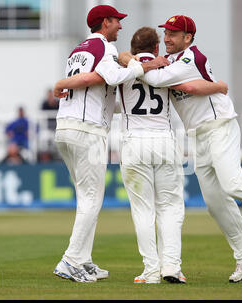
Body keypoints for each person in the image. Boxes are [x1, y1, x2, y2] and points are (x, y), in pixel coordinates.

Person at [120, 15, 242, 283]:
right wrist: (216, 85)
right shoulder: (171, 59)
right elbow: (165, 78)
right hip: (198, 135)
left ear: (188, 38)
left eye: (173, 34)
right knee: (214, 201)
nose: (167, 39)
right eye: (165, 33)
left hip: (219, 126)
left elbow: (156, 79)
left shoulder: (190, 58)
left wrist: (133, 62)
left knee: (232, 183)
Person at [53, 28, 228, 284]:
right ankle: (171, 267)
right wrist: (219, 86)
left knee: (142, 210)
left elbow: (112, 94)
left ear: (133, 49)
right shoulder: (166, 68)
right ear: (156, 48)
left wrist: (126, 59)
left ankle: (149, 271)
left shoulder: (124, 71)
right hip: (164, 141)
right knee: (169, 207)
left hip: (133, 144)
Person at [52, 4, 172, 283]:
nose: (120, 25)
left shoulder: (77, 50)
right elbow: (114, 76)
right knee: (92, 199)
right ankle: (70, 261)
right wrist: (145, 66)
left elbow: (94, 83)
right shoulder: (103, 47)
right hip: (88, 130)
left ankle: (83, 260)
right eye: (117, 21)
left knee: (86, 198)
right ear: (105, 23)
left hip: (65, 128)